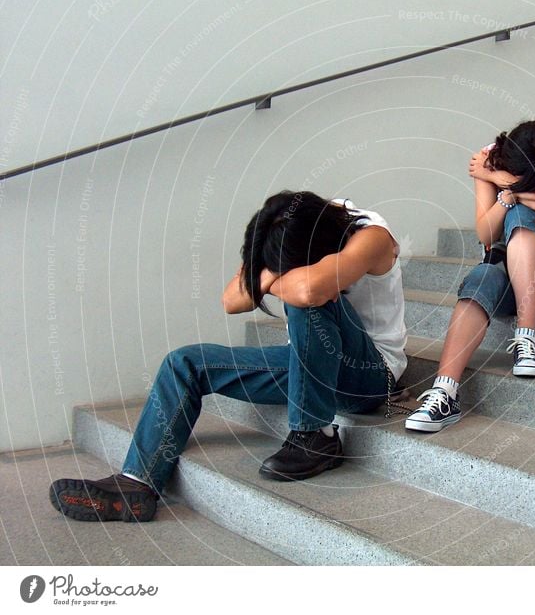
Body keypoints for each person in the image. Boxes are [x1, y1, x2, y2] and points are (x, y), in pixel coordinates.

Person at [49, 191, 407, 522]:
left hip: (369, 374)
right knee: (185, 363)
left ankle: (315, 436)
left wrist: (267, 278)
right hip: (308, 363)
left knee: (308, 304)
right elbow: (231, 300)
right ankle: (136, 484)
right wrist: (279, 274)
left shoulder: (371, 234)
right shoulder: (287, 229)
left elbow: (311, 289)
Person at [405, 118, 535, 432]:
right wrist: (509, 196)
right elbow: (486, 233)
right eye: (518, 173)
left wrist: (494, 178)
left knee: (523, 213)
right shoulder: (491, 156)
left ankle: (526, 340)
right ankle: (444, 392)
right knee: (481, 278)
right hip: (506, 276)